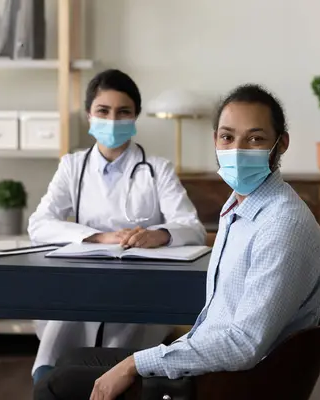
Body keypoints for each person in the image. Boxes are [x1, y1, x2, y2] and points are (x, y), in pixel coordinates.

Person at [33, 84, 320, 400]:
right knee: (69, 360)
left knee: (57, 384)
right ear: (215, 140)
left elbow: (242, 345)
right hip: (213, 361)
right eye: (227, 137)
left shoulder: (281, 225)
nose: (238, 150)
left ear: (281, 144)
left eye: (255, 138)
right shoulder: (239, 206)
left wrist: (136, 364)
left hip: (229, 383)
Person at [27, 69, 206, 384]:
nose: (112, 120)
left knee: (122, 369)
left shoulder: (157, 169)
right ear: (89, 116)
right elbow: (40, 224)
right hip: (81, 283)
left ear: (135, 117)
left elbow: (192, 227)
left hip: (140, 285)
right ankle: (48, 383)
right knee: (55, 357)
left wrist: (159, 235)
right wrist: (98, 237)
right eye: (103, 111)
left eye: (123, 112)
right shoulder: (72, 166)